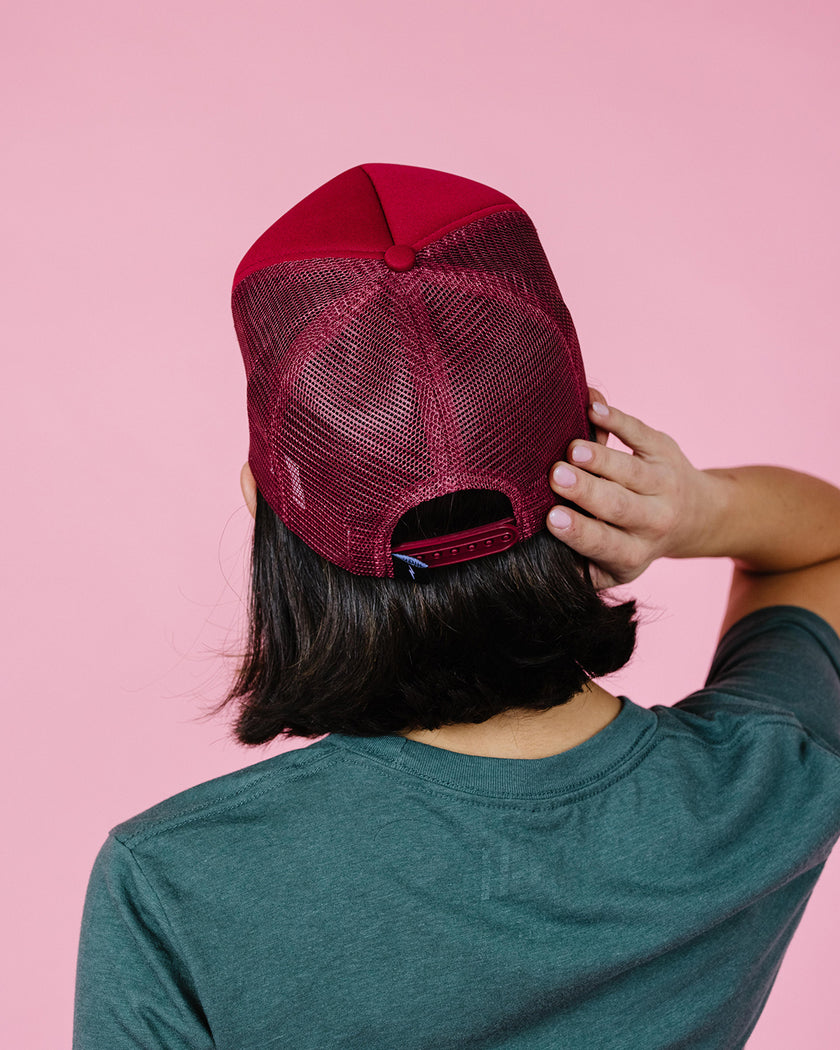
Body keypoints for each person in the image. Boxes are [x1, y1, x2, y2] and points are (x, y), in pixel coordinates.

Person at [73, 163, 840, 1050]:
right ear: (593, 469)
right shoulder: (759, 786)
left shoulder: (179, 887)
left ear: (264, 504)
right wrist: (694, 510)